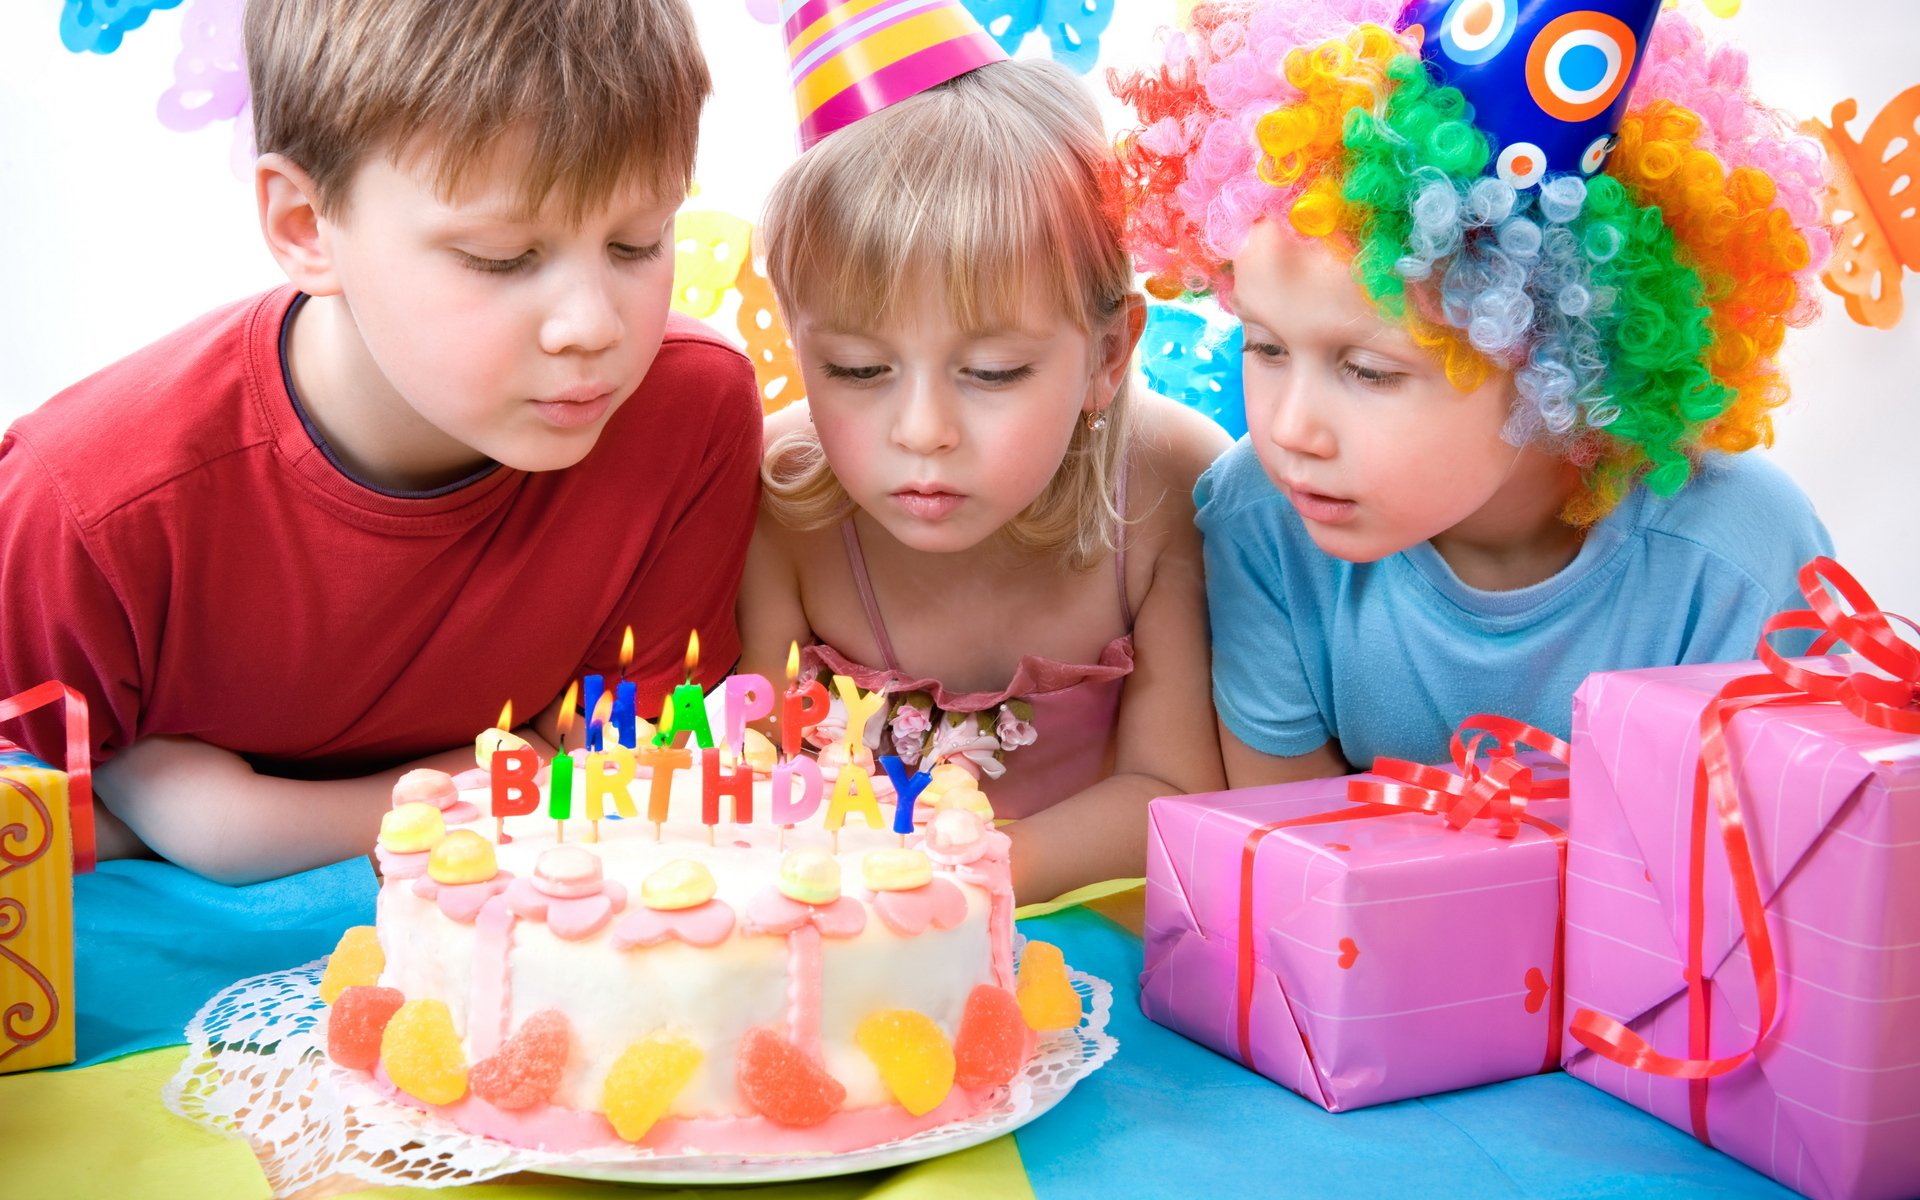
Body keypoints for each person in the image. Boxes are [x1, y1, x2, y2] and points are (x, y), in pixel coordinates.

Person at [0, 0, 761, 883]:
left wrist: (235, 827)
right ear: (305, 227)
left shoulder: (688, 414)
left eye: (637, 242)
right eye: (501, 256)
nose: (592, 326)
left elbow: (607, 790)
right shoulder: (87, 507)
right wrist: (489, 772)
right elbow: (24, 839)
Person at [1112, 0, 1833, 787]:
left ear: (1566, 360)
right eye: (1265, 347)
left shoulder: (1734, 557)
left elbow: (1771, 877)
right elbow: (1289, 868)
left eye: (1369, 371)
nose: (1291, 431)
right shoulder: (1262, 522)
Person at [739, 4, 1230, 904]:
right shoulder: (781, 496)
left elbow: (1175, 793)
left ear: (1109, 354)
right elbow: (747, 775)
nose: (922, 429)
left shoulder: (1173, 488)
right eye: (856, 367)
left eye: (994, 372)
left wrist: (955, 879)